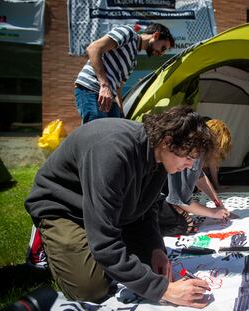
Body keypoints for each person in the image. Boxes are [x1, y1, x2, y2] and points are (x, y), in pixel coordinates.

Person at [25, 106, 215, 308]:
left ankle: (82, 249)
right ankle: (47, 246)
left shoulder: (160, 155)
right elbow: (105, 244)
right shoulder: (113, 152)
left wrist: (156, 248)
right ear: (168, 141)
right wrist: (164, 290)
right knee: (92, 289)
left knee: (150, 266)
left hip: (111, 208)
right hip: (65, 207)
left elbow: (146, 209)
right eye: (188, 158)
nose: (189, 165)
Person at [75, 23, 174, 123]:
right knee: (96, 134)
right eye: (163, 48)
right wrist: (104, 85)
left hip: (109, 97)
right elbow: (93, 49)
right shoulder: (128, 33)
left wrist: (121, 114)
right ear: (155, 36)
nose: (161, 54)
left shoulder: (133, 61)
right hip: (92, 89)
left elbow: (118, 89)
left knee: (115, 133)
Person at [158, 119, 232, 236]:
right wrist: (213, 212)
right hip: (157, 197)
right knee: (185, 225)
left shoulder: (197, 151)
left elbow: (200, 177)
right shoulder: (195, 154)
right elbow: (181, 200)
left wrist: (217, 202)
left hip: (162, 193)